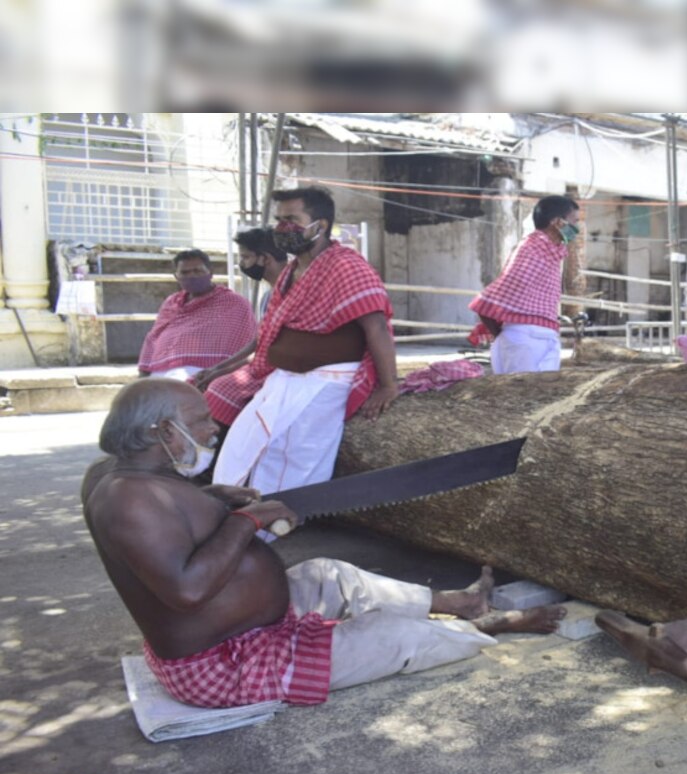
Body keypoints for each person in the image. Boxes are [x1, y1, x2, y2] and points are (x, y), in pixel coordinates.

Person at [82, 379, 566, 710]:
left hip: (245, 626)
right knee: (396, 639)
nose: (213, 429)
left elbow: (171, 528)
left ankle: (457, 603)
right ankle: (487, 626)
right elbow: (186, 590)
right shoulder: (129, 498)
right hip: (227, 663)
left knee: (327, 575)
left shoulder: (132, 476)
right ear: (162, 431)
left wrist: (211, 499)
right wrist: (247, 521)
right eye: (201, 420)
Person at [212, 186, 400, 494]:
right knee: (243, 445)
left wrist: (388, 385)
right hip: (283, 380)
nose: (282, 228)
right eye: (279, 219)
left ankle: (269, 523)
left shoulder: (346, 265)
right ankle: (233, 510)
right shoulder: (291, 270)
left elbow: (377, 327)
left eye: (291, 219)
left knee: (293, 456)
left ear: (320, 225)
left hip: (326, 382)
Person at [468, 194, 581, 374]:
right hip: (522, 341)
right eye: (574, 222)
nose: (577, 228)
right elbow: (488, 302)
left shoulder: (552, 252)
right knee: (519, 397)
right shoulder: (531, 249)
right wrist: (504, 337)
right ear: (557, 222)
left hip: (545, 337)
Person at [194, 228, 289, 430]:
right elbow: (259, 340)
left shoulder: (291, 290)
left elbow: (275, 349)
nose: (242, 264)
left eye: (245, 257)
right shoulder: (269, 294)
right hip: (266, 363)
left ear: (265, 259)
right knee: (197, 383)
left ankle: (220, 450)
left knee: (219, 391)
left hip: (285, 367)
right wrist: (217, 368)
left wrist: (223, 372)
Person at [136, 249, 256, 381]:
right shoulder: (171, 302)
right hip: (160, 369)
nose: (192, 276)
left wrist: (217, 372)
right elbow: (153, 337)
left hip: (206, 372)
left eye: (197, 271)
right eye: (185, 273)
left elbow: (247, 343)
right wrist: (143, 372)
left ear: (210, 273)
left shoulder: (234, 303)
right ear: (176, 277)